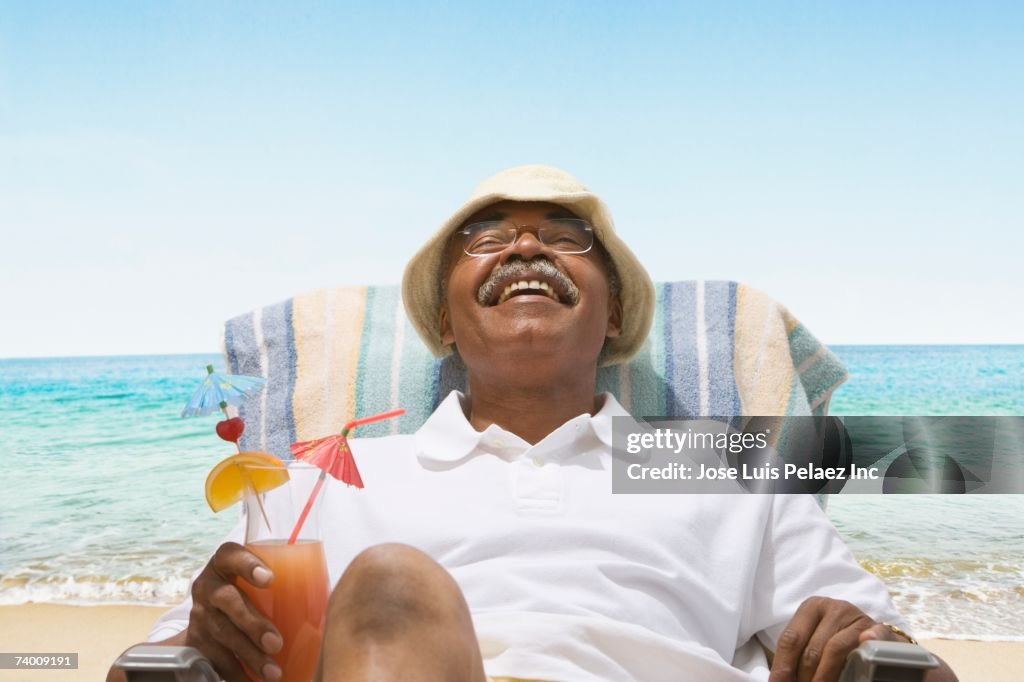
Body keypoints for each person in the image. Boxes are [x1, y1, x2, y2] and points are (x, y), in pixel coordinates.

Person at [110, 165, 957, 682]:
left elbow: (911, 668)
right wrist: (206, 635)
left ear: (615, 310)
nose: (524, 247)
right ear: (442, 322)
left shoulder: (729, 469)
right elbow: (143, 673)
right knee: (394, 587)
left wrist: (863, 639)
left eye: (564, 238)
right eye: (485, 239)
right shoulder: (315, 489)